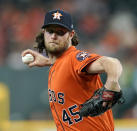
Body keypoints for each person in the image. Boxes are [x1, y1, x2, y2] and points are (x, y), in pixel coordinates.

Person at [22, 9, 123, 131]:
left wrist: (112, 83)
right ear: (44, 33)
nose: (54, 36)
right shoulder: (58, 64)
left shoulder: (75, 59)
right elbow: (64, 66)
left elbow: (111, 62)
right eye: (50, 31)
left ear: (71, 34)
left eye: (60, 32)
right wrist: (50, 61)